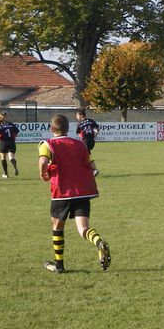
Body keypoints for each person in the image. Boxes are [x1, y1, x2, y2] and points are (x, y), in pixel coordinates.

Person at [39, 114, 111, 274]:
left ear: (51, 129)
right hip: (82, 191)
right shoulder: (80, 144)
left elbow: (43, 161)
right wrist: (94, 170)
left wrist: (42, 173)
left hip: (62, 191)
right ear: (68, 128)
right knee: (83, 228)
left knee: (57, 225)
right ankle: (99, 243)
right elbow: (90, 163)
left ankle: (59, 265)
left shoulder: (48, 144)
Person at [0, 111, 21, 178]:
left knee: (3, 157)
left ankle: (6, 174)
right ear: (6, 117)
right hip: (12, 142)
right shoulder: (11, 124)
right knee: (11, 157)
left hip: (3, 143)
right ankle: (15, 166)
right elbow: (17, 133)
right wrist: (13, 136)